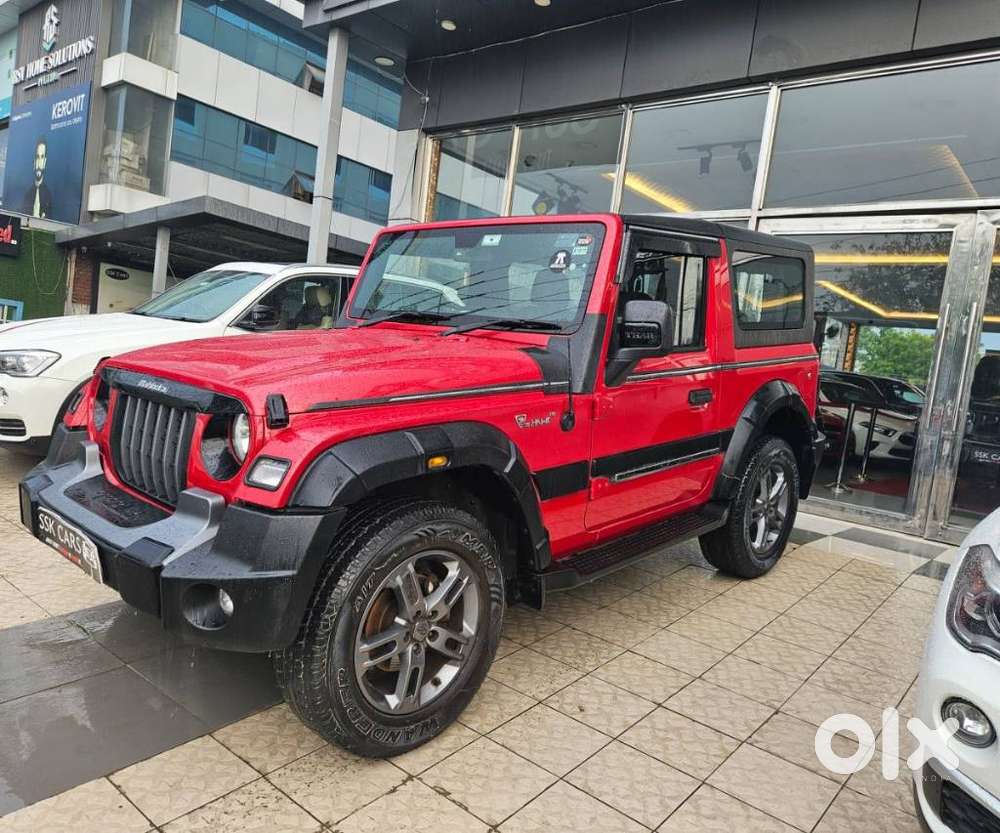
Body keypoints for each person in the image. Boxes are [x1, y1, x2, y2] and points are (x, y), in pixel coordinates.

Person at [21, 137, 52, 219]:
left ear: (45, 162)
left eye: (42, 157)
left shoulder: (48, 195)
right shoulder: (27, 195)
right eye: (37, 157)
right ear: (34, 161)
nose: (39, 163)